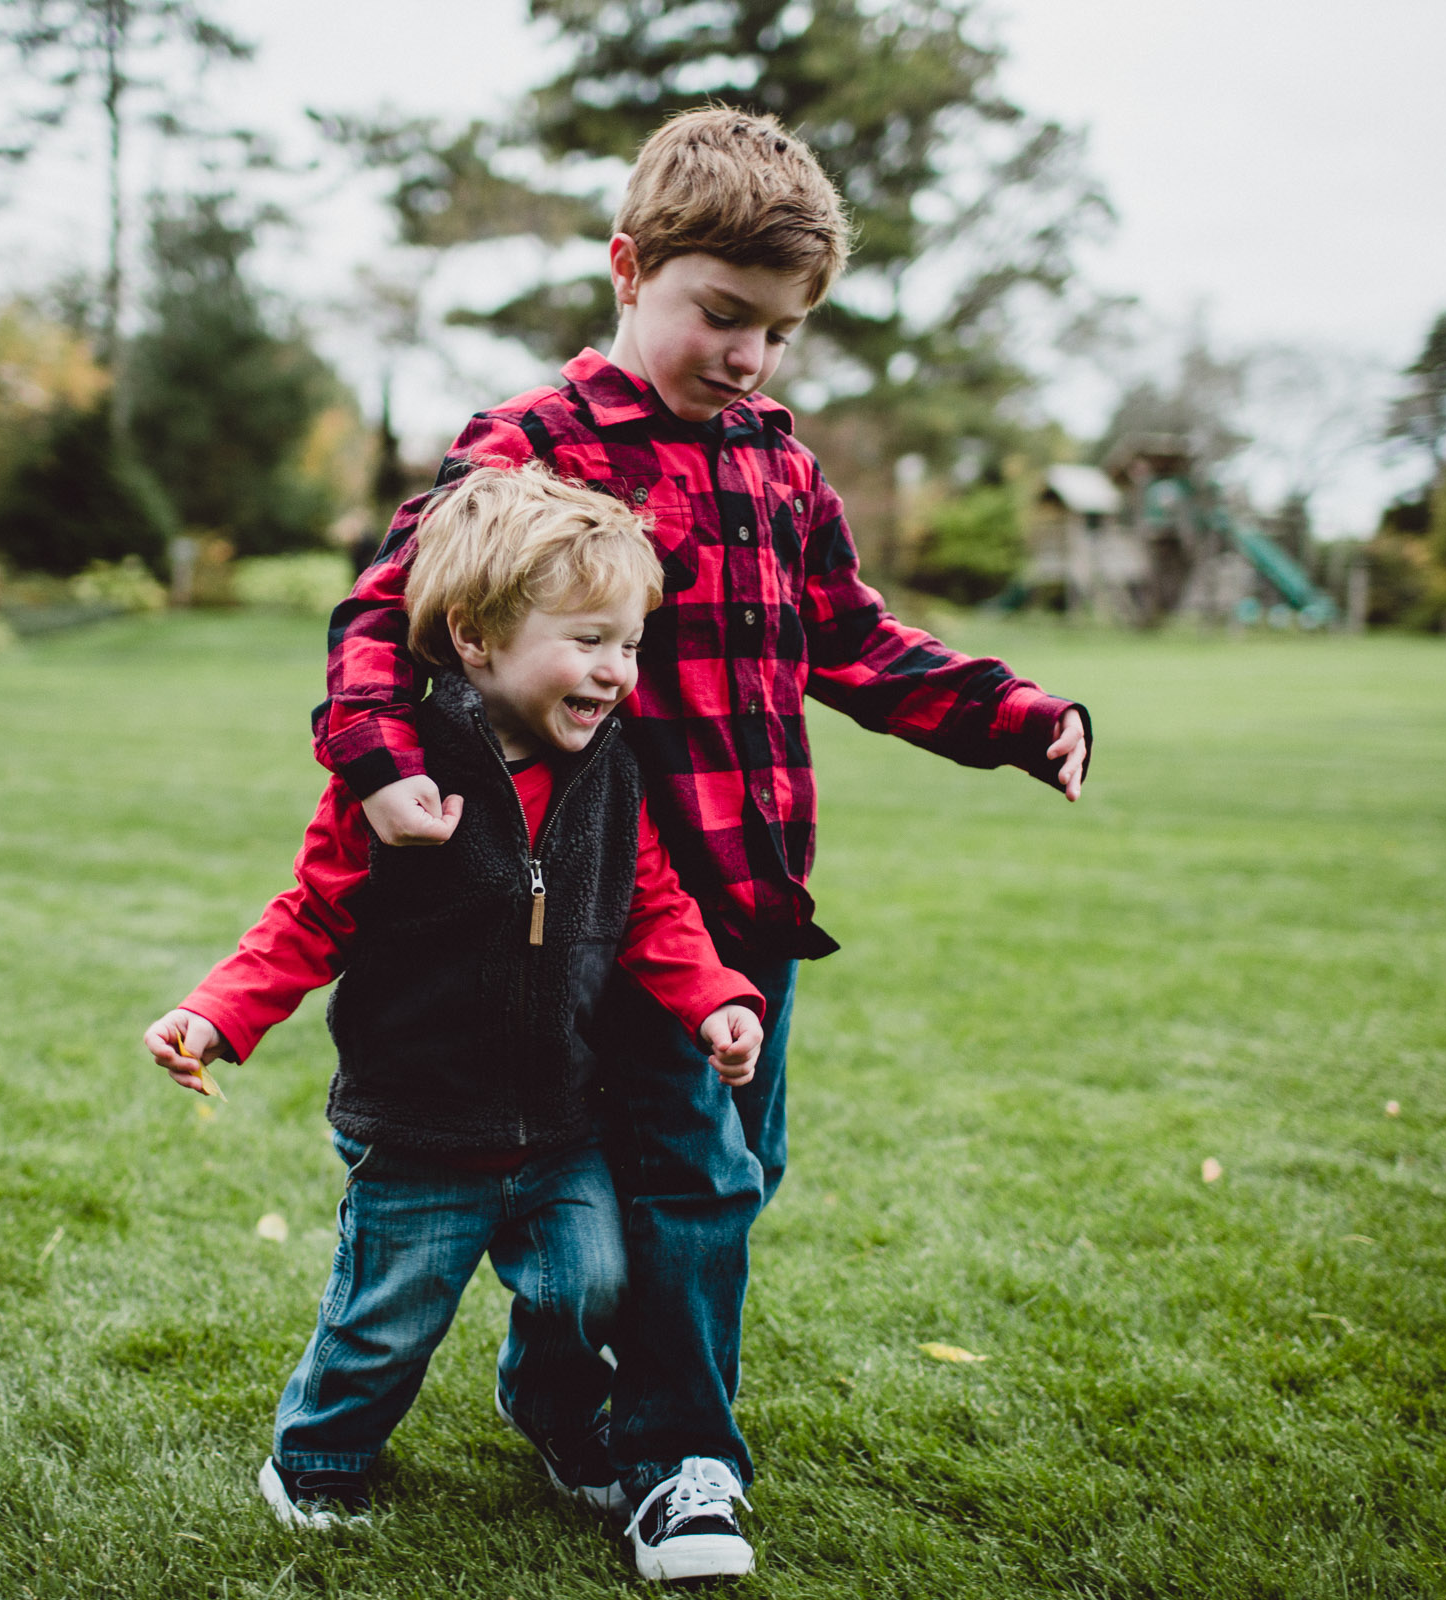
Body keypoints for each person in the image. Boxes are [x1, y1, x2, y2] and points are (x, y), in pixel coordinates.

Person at [315, 107, 1092, 1581]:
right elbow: (383, 612)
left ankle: (561, 1393)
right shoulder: (536, 449)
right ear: (628, 267)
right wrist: (377, 757)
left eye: (780, 333)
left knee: (727, 1174)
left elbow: (851, 643)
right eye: (720, 315)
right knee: (688, 1188)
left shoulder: (778, 468)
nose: (747, 356)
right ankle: (686, 1469)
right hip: (590, 908)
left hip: (750, 906)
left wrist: (1012, 713)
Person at [142, 461, 768, 1539]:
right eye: (586, 640)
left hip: (561, 1121)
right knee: (388, 1316)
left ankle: (554, 1413)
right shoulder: (398, 776)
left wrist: (713, 996)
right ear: (476, 638)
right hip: (421, 1119)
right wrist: (218, 1011)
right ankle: (318, 1457)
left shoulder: (612, 771)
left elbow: (652, 904)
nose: (616, 670)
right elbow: (309, 915)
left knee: (594, 1287)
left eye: (628, 643)